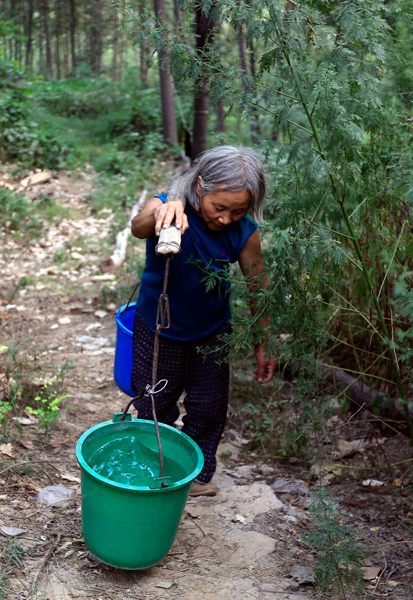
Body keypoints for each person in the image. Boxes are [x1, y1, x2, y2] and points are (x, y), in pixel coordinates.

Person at [129, 145, 276, 497]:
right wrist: (162, 213)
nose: (226, 218)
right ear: (200, 188)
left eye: (238, 210)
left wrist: (263, 342)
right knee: (154, 401)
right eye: (219, 207)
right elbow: (138, 227)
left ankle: (194, 475)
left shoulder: (243, 232)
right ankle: (154, 470)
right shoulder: (166, 204)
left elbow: (259, 286)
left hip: (213, 331)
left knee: (208, 406)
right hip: (159, 326)